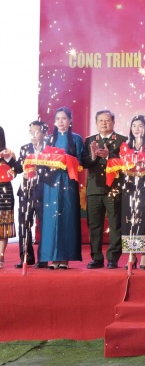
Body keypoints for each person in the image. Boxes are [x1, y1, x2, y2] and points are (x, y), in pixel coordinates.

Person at [82, 110, 127, 269]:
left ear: (113, 123)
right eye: (100, 121)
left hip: (113, 188)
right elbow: (84, 163)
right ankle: (96, 258)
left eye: (107, 120)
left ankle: (113, 258)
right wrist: (93, 157)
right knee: (94, 225)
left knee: (115, 224)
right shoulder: (89, 141)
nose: (104, 123)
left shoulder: (122, 140)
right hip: (94, 188)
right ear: (96, 123)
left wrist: (109, 156)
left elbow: (125, 163)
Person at [40, 107, 83, 269]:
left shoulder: (77, 139)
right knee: (51, 219)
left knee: (67, 217)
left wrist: (66, 161)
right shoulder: (49, 139)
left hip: (68, 182)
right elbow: (43, 162)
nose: (61, 122)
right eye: (58, 119)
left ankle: (65, 257)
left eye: (64, 118)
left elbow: (80, 162)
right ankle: (52, 257)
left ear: (70, 120)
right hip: (51, 184)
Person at [120, 115, 145, 269]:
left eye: (141, 126)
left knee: (144, 219)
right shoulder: (125, 145)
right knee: (129, 219)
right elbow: (123, 164)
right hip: (128, 185)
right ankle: (131, 255)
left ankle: (144, 254)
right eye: (134, 125)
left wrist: (144, 161)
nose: (137, 129)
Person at [12, 121, 48, 269]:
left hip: (44, 191)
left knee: (44, 226)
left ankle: (43, 258)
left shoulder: (49, 149)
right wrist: (12, 162)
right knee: (23, 225)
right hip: (26, 191)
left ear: (44, 133)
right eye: (30, 132)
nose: (33, 135)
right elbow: (19, 169)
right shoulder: (25, 148)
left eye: (37, 132)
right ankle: (26, 257)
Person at [0, 126, 16, 268]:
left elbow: (16, 170)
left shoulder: (8, 153)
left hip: (4, 192)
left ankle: (0, 256)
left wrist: (7, 158)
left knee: (3, 225)